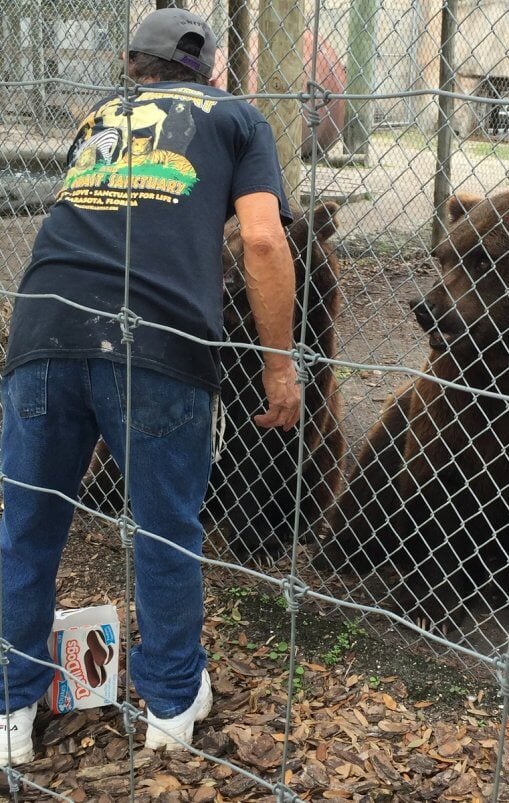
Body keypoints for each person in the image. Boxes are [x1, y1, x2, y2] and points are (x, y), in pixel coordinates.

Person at [0, 8, 300, 764]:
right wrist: (279, 363)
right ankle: (171, 705)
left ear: (134, 66)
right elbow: (263, 238)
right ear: (211, 67)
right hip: (158, 343)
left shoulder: (101, 115)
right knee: (165, 529)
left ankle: (10, 706)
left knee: (27, 528)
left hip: (43, 332)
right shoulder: (235, 114)